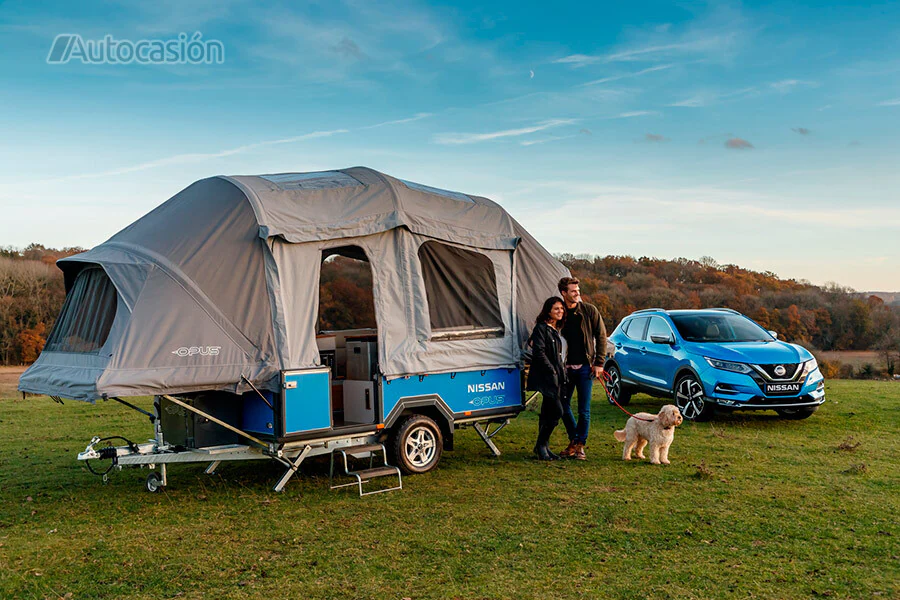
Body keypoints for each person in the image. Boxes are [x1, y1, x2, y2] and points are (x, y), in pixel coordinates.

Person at [557, 276, 608, 460]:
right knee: (562, 405)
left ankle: (580, 446)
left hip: (586, 367)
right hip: (565, 368)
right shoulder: (559, 311)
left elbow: (601, 336)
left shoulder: (588, 310)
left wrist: (600, 363)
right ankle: (574, 439)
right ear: (564, 293)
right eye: (573, 291)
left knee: (584, 410)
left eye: (578, 290)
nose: (577, 294)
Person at [526, 297, 576, 460]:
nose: (560, 311)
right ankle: (541, 445)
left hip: (558, 377)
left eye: (561, 308)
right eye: (556, 309)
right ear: (548, 311)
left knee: (548, 412)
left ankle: (543, 447)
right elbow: (539, 352)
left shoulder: (556, 329)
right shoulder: (541, 329)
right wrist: (552, 371)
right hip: (547, 377)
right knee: (557, 411)